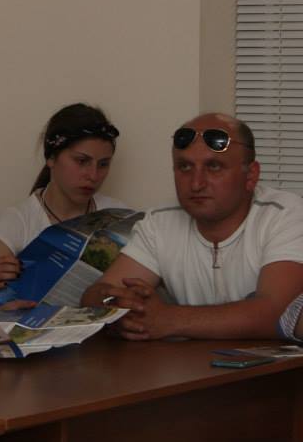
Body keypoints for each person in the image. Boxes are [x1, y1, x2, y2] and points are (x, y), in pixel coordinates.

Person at [82, 113, 303, 340]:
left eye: (214, 166)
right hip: (194, 362)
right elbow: (95, 295)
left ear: (251, 175)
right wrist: (119, 306)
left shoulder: (284, 214)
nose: (196, 184)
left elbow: (280, 314)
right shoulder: (160, 222)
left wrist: (169, 319)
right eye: (185, 167)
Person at [0, 103, 125, 312]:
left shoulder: (119, 216)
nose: (93, 176)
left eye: (103, 164)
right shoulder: (15, 221)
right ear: (51, 158)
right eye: (81, 161)